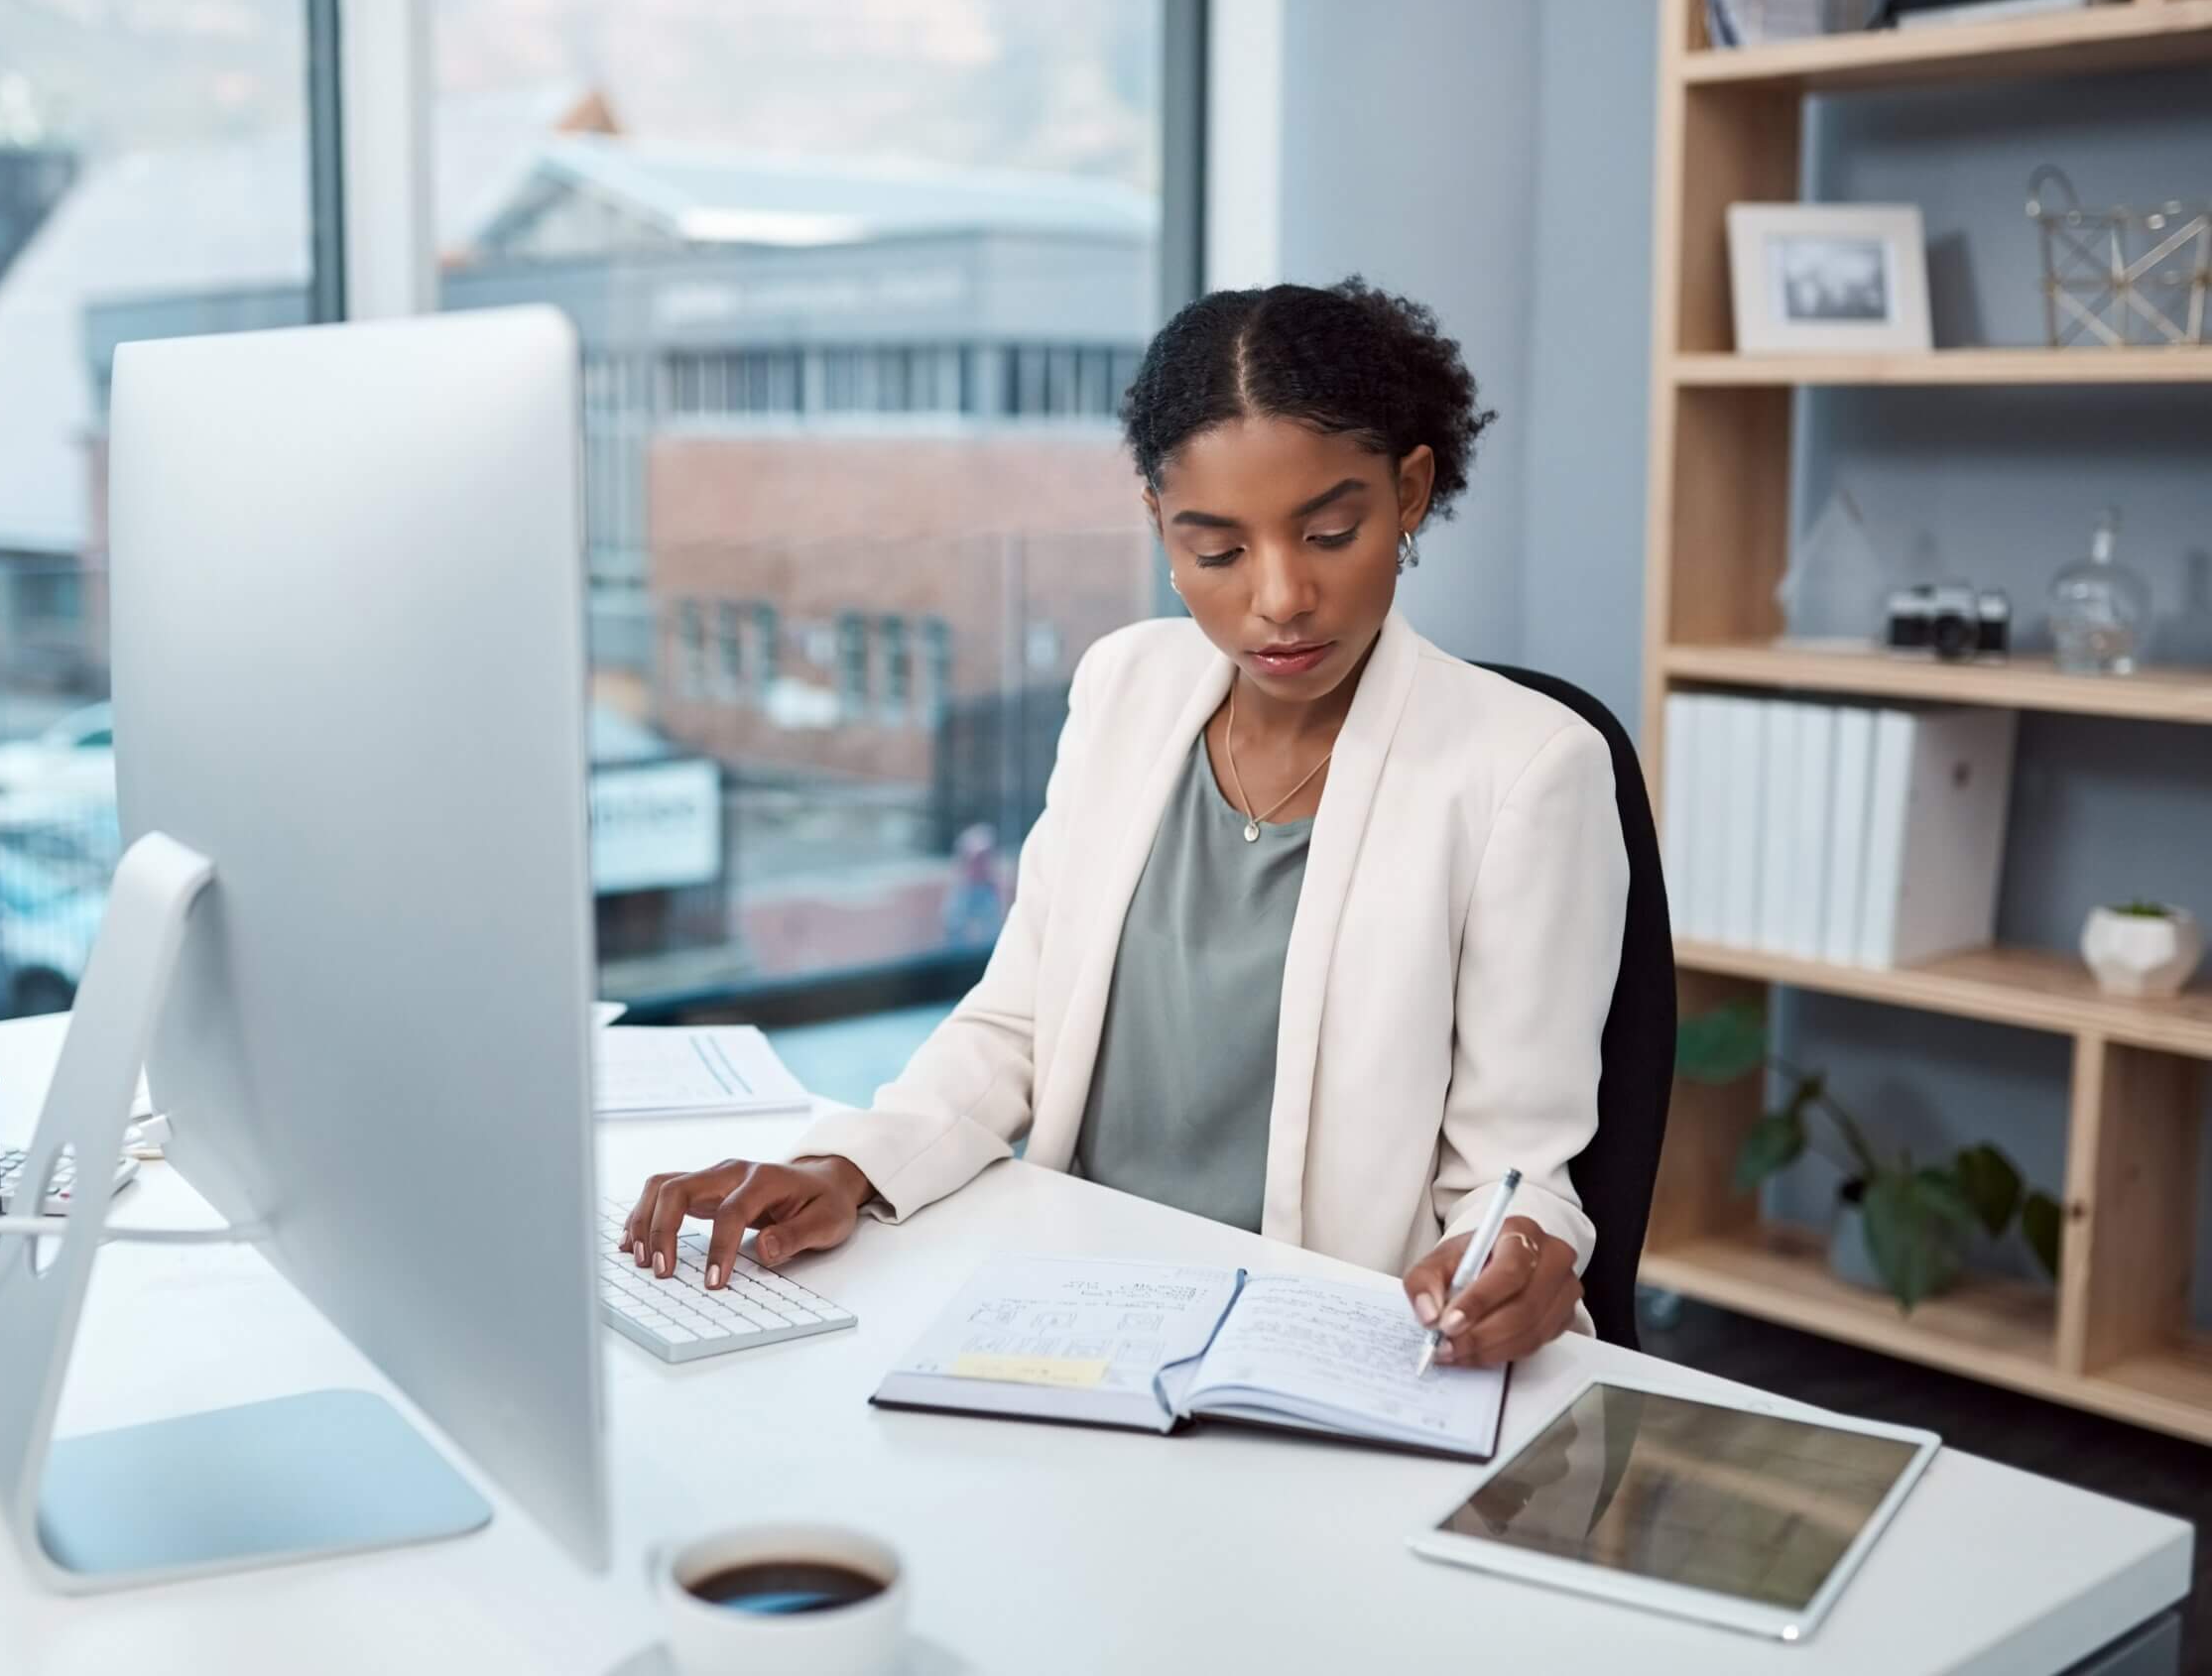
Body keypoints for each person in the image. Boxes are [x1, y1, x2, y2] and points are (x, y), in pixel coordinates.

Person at [621, 279, 1627, 1370]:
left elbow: (1513, 1170)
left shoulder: (1526, 767)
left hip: (1320, 1356)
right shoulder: (1124, 686)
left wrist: (1514, 1249)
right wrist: (845, 1166)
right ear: (1159, 525)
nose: (1281, 596)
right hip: (1072, 1315)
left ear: (1411, 491)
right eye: (1218, 550)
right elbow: (1015, 1022)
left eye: (1330, 531)